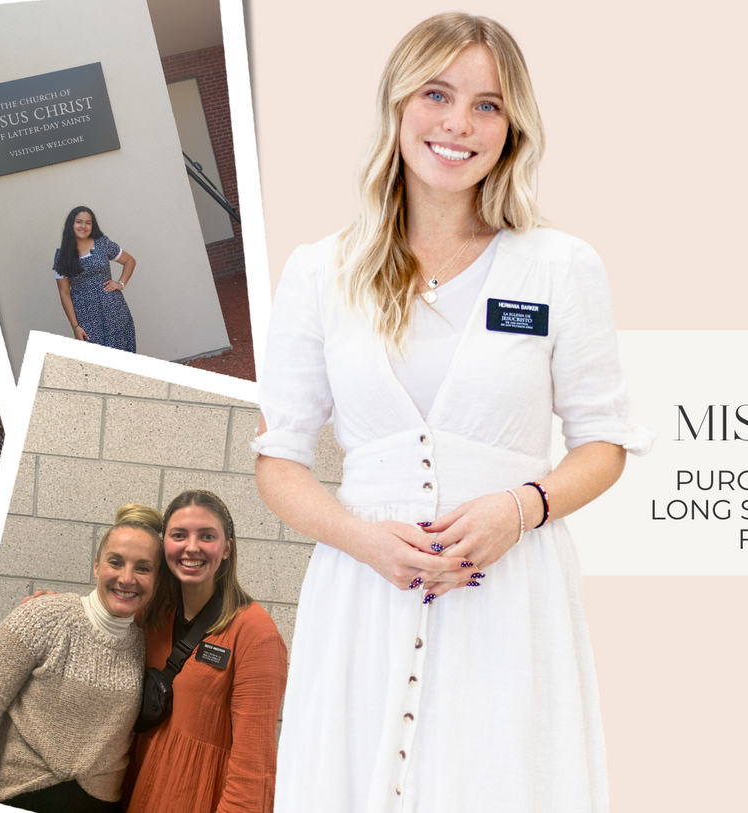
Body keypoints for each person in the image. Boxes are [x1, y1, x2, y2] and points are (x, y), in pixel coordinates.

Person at [253, 12, 653, 811]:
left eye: (487, 105)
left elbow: (603, 441)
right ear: (398, 105)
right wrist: (363, 540)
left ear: (512, 128)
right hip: (363, 589)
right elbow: (279, 461)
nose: (458, 124)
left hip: (510, 590)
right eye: (437, 94)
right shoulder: (319, 272)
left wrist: (520, 507)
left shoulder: (559, 267)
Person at [0, 504, 164, 812]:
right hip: (16, 795)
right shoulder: (42, 616)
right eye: (116, 562)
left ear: (156, 578)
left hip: (99, 803)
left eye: (143, 568)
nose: (127, 578)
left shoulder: (144, 644)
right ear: (97, 566)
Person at [122, 489, 288, 813]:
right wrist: (54, 606)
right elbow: (100, 624)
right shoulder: (151, 614)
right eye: (179, 535)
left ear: (227, 548)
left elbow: (254, 770)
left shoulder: (255, 634)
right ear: (164, 545)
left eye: (207, 536)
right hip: (135, 790)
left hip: (195, 799)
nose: (192, 547)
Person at [53, 205, 137, 352]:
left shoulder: (102, 243)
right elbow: (64, 293)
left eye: (88, 222)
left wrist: (121, 283)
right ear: (71, 224)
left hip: (115, 310)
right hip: (86, 318)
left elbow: (130, 261)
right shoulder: (62, 256)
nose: (83, 226)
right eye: (79, 222)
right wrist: (75, 326)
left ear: (92, 225)